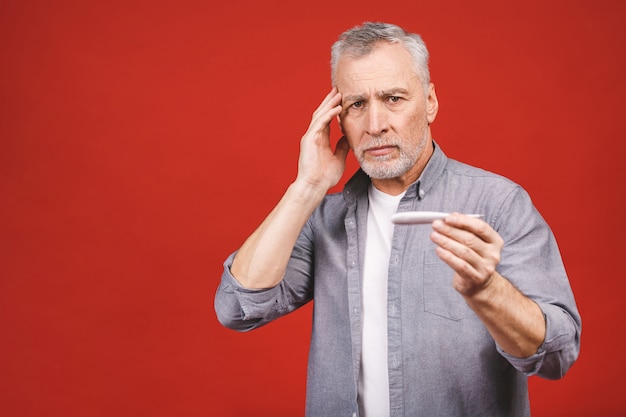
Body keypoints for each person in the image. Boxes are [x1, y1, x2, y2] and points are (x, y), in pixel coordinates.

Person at [214, 22, 581, 417]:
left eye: (393, 98)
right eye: (357, 104)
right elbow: (238, 308)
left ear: (430, 102)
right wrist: (307, 186)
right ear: (338, 120)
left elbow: (557, 355)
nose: (375, 125)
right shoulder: (325, 217)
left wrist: (487, 291)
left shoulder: (497, 203)